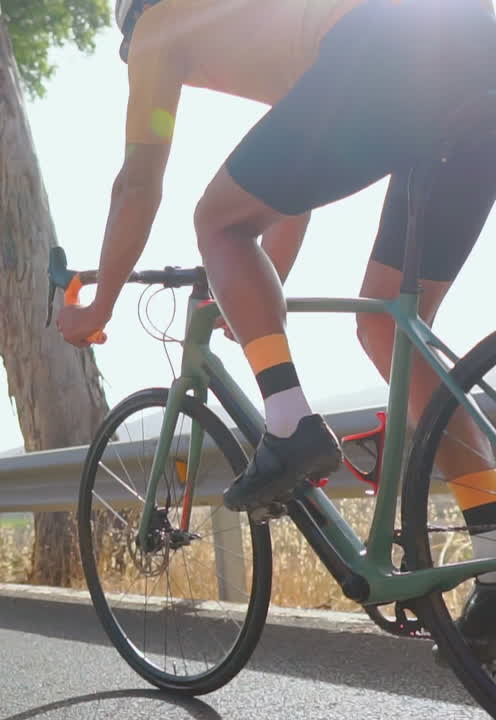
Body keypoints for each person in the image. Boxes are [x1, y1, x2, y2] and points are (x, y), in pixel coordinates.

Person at [56, 0, 496, 656]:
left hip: (385, 50)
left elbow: (138, 186)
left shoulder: (153, 28)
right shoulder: (260, 26)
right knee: (389, 329)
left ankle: (289, 426)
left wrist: (99, 308)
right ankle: (493, 557)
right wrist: (257, 296)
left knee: (215, 221)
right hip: (469, 50)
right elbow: (293, 196)